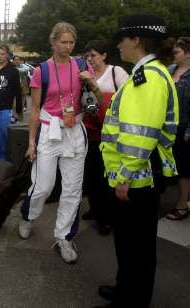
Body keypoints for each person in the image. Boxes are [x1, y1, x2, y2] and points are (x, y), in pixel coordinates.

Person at [95, 14, 178, 308]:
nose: (119, 44)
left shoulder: (148, 79)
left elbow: (141, 136)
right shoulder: (148, 74)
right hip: (134, 177)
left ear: (137, 41)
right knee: (129, 245)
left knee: (136, 249)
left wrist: (124, 177)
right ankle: (124, 290)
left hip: (137, 180)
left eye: (122, 38)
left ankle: (131, 301)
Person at [18, 22, 102, 264]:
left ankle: (64, 236)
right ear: (53, 42)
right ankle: (28, 215)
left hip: (75, 130)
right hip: (49, 130)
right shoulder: (41, 71)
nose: (68, 46)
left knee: (73, 189)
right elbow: (34, 110)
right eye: (63, 42)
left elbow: (96, 97)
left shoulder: (81, 65)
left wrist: (91, 82)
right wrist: (31, 142)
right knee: (43, 186)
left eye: (71, 42)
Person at [82, 40, 129, 235]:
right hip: (91, 133)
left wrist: (94, 86)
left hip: (110, 134)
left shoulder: (116, 72)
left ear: (104, 55)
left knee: (106, 177)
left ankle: (107, 218)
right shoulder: (85, 75)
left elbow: (126, 100)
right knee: (92, 176)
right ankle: (95, 209)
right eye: (87, 56)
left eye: (93, 55)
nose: (89, 59)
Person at [165, 37, 190, 220]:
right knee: (171, 164)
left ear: (188, 53)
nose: (173, 54)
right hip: (167, 126)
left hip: (184, 127)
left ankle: (182, 205)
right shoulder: (170, 70)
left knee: (184, 168)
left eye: (177, 52)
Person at [0, 45, 22, 163]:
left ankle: (3, 155)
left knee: (3, 132)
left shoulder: (13, 70)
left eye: (2, 54)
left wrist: (19, 109)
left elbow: (18, 91)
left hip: (6, 107)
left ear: (7, 55)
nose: (0, 56)